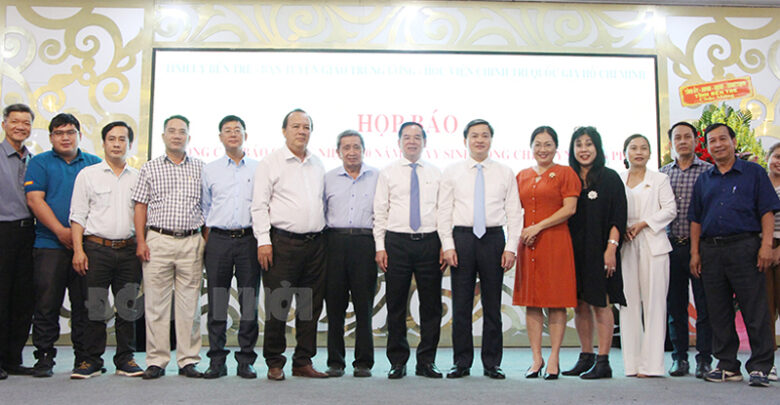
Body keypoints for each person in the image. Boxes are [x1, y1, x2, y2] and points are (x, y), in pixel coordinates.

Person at [689, 123, 780, 387]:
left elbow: (767, 211)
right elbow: (696, 219)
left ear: (733, 141)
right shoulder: (704, 179)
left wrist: (766, 246)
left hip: (745, 247)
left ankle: (761, 366)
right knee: (718, 310)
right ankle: (727, 365)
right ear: (706, 147)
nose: (717, 145)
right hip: (710, 250)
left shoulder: (754, 172)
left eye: (722, 139)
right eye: (712, 141)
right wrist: (695, 253)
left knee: (755, 309)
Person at [439, 119, 521, 380]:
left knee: (493, 305)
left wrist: (511, 247)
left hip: (493, 239)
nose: (480, 140)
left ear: (491, 140)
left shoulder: (505, 172)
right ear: (465, 140)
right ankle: (461, 362)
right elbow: (443, 211)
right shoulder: (452, 171)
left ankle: (492, 363)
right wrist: (448, 245)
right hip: (462, 238)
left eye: (485, 135)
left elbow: (514, 212)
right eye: (474, 136)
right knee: (461, 305)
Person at [251, 108, 328, 380]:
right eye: (296, 126)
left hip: (315, 245)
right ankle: (275, 361)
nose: (301, 131)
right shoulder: (270, 163)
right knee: (278, 305)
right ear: (284, 131)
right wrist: (263, 241)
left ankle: (303, 361)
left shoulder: (318, 163)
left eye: (306, 127)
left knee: (309, 306)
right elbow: (259, 205)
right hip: (282, 243)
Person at [24, 113, 101, 378]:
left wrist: (77, 237)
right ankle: (44, 356)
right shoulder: (39, 162)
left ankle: (84, 357)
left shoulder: (94, 164)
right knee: (47, 303)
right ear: (51, 137)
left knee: (84, 304)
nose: (65, 138)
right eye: (59, 133)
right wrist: (61, 231)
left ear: (80, 135)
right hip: (49, 244)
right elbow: (35, 200)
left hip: (86, 246)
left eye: (70, 132)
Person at [132, 114, 205, 380]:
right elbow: (140, 206)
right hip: (158, 240)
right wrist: (141, 240)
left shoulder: (201, 168)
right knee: (156, 305)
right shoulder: (149, 168)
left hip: (191, 240)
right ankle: (157, 360)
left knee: (189, 306)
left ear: (189, 137)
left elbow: (208, 207)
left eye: (182, 131)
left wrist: (204, 242)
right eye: (171, 131)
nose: (176, 135)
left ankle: (188, 360)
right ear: (163, 136)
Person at [69, 121, 143, 379]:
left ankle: (125, 359)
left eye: (122, 139)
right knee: (96, 306)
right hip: (96, 249)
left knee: (127, 307)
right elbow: (77, 215)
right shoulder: (88, 175)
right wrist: (78, 250)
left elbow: (143, 216)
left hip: (129, 250)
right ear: (103, 143)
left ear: (129, 144)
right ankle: (91, 360)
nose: (116, 144)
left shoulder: (138, 177)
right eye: (112, 139)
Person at [374, 121, 443, 379]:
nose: (412, 141)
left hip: (429, 242)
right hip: (396, 243)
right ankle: (397, 361)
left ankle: (426, 361)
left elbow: (443, 212)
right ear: (399, 142)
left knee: (431, 306)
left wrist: (445, 244)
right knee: (396, 305)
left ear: (424, 142)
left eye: (417, 137)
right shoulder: (387, 173)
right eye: (407, 137)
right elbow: (380, 212)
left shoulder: (436, 173)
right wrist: (380, 247)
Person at [514, 126, 580, 380]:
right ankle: (536, 359)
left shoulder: (565, 173)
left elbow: (570, 209)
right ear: (531, 147)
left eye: (548, 144)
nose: (543, 149)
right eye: (538, 144)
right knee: (531, 302)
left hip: (555, 242)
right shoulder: (522, 175)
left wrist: (538, 227)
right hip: (528, 243)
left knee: (555, 302)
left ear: (556, 147)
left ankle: (553, 358)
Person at [562, 126, 627, 380]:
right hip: (573, 251)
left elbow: (618, 216)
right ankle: (586, 355)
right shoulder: (568, 177)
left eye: (589, 144)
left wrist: (611, 248)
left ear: (597, 147)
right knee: (580, 304)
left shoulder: (610, 177)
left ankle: (604, 361)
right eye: (579, 144)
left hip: (600, 250)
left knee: (601, 303)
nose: (584, 149)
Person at [201, 115, 260, 379]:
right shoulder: (210, 170)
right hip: (218, 240)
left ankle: (246, 359)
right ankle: (217, 360)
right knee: (217, 302)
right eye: (228, 130)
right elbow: (205, 207)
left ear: (245, 135)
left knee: (249, 302)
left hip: (249, 239)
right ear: (220, 137)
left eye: (238, 130)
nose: (233, 134)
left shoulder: (259, 168)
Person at [618, 134, 676, 377]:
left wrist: (643, 224)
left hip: (654, 245)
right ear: (625, 153)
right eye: (633, 148)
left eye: (643, 148)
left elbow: (670, 209)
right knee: (627, 304)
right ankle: (632, 364)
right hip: (626, 245)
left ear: (650, 153)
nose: (639, 152)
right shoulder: (618, 179)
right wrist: (621, 229)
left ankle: (652, 365)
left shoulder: (660, 179)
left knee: (654, 305)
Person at [660, 121, 713, 378]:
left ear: (696, 140)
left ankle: (704, 359)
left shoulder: (709, 172)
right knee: (675, 306)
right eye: (677, 138)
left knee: (705, 305)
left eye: (687, 137)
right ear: (671, 143)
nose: (682, 141)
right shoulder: (662, 175)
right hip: (670, 247)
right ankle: (679, 358)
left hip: (701, 247)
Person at [323, 129, 379, 378]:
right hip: (334, 243)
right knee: (335, 306)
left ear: (364, 150)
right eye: (346, 147)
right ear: (338, 152)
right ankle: (335, 361)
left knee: (363, 305)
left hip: (365, 243)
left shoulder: (377, 177)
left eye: (356, 147)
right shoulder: (328, 178)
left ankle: (363, 362)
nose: (352, 152)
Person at [0, 104, 36, 379]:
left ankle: (12, 358)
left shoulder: (33, 160)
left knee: (23, 298)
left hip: (28, 234)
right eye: (15, 121)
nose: (20, 127)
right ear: (4, 124)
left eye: (26, 123)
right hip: (3, 231)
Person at [766, 142, 780, 381]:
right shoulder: (759, 182)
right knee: (765, 309)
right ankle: (768, 362)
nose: (779, 162)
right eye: (776, 156)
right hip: (762, 248)